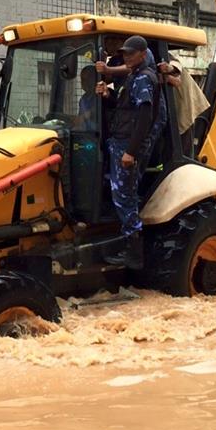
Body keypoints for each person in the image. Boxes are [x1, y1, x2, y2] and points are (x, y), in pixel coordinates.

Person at [96, 35, 158, 269]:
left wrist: (131, 151)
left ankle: (132, 253)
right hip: (120, 141)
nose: (126, 56)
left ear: (143, 54)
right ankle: (125, 244)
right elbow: (125, 109)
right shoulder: (132, 77)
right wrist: (107, 95)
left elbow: (144, 116)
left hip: (127, 145)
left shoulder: (143, 78)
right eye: (124, 53)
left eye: (131, 53)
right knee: (119, 194)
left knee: (125, 196)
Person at [74, 65, 98, 131]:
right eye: (83, 79)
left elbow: (97, 110)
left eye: (88, 79)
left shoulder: (100, 97)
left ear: (95, 79)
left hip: (97, 135)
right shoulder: (83, 99)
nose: (84, 83)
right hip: (85, 134)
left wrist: (87, 114)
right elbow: (80, 119)